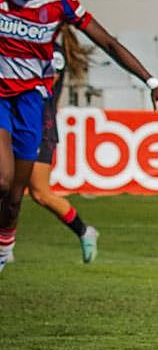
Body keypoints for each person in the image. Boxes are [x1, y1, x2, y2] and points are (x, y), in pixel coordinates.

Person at [0, 0, 158, 272]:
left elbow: (107, 42)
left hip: (32, 102)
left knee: (17, 194)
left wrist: (151, 81)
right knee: (3, 179)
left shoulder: (59, 1)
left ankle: (5, 243)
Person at [27, 27, 100, 263]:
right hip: (13, 125)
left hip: (40, 128)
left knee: (40, 193)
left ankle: (83, 230)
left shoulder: (53, 53)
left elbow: (41, 87)